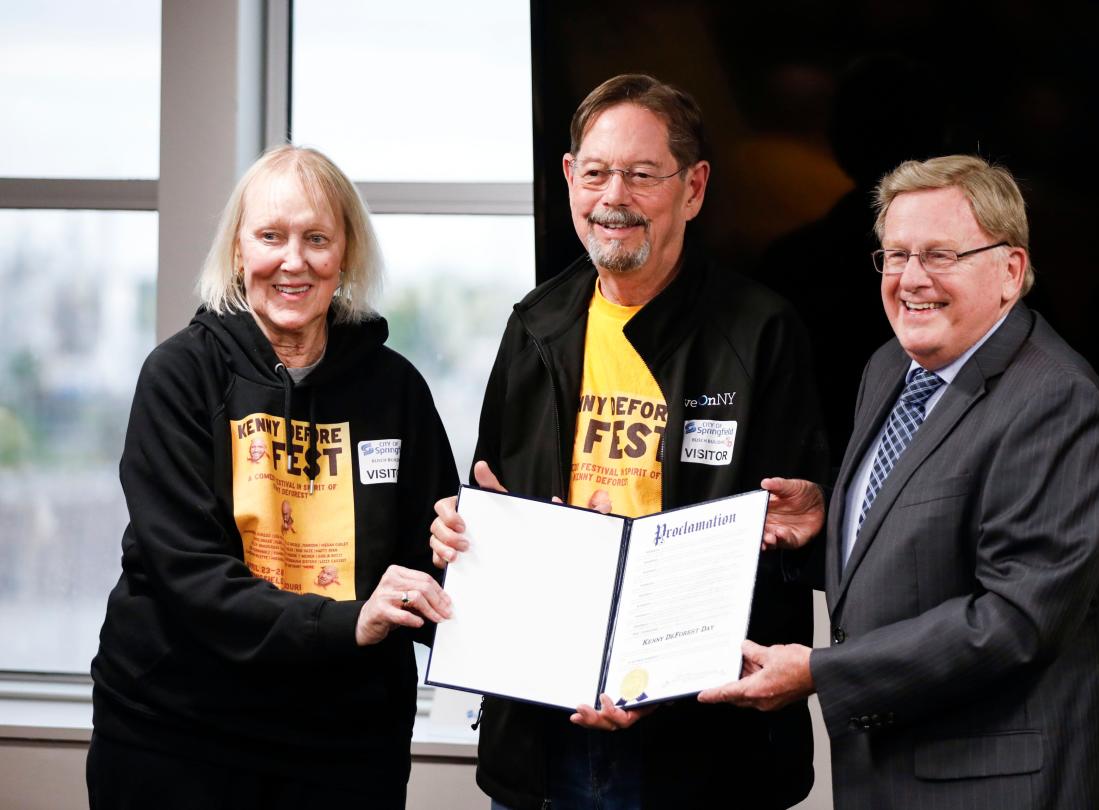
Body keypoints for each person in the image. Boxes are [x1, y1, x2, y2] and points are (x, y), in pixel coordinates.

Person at [429, 74, 829, 809]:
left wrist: (663, 676)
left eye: (643, 176)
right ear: (568, 180)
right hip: (547, 737)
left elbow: (799, 548)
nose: (615, 196)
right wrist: (465, 532)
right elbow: (492, 498)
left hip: (707, 750)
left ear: (694, 188)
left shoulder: (761, 333)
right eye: (597, 173)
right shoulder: (534, 326)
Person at [701, 154, 1099, 809]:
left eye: (940, 255)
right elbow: (921, 544)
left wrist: (820, 671)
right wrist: (829, 526)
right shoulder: (888, 368)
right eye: (895, 255)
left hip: (992, 789)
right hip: (884, 778)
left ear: (1010, 271)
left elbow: (1012, 621)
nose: (910, 279)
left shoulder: (1055, 402)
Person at [87, 145, 458, 810]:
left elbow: (429, 563)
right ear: (237, 252)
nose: (294, 261)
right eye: (270, 237)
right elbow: (191, 574)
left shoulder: (395, 389)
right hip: (178, 731)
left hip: (345, 742)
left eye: (317, 238)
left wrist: (484, 542)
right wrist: (347, 625)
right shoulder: (180, 377)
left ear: (344, 254)